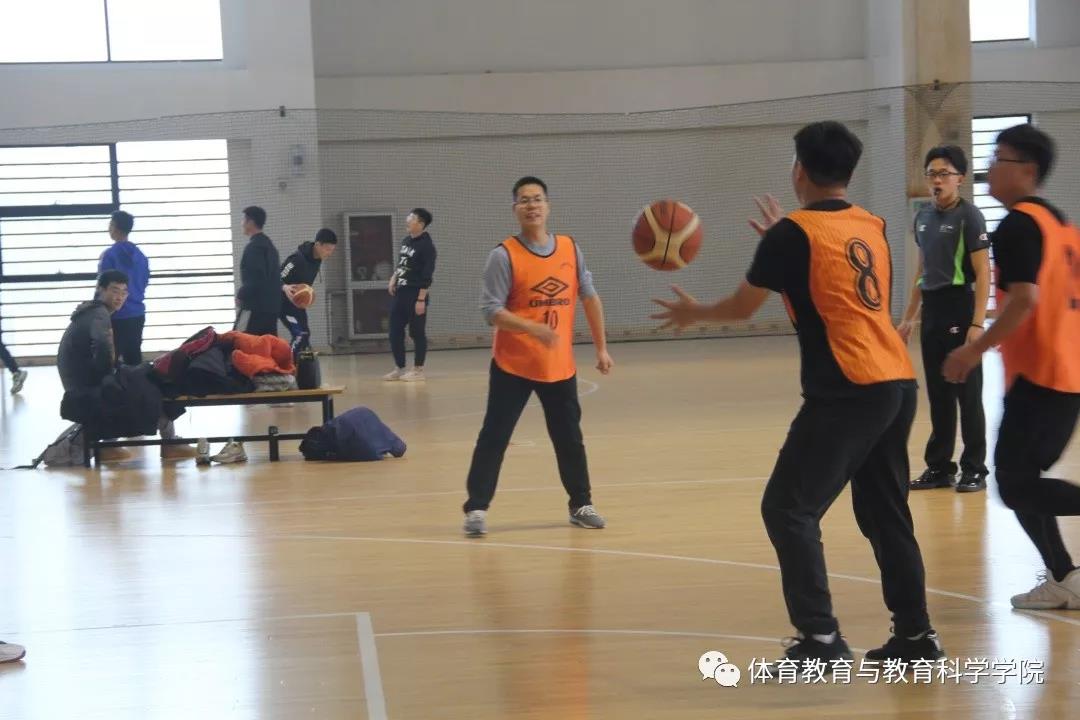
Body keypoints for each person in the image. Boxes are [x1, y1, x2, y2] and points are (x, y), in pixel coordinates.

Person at [653, 121, 942, 666]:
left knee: (788, 509)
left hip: (849, 387)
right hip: (896, 381)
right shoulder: (870, 224)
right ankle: (916, 637)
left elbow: (741, 309)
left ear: (800, 170)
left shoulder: (792, 235)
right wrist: (782, 246)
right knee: (885, 516)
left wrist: (694, 313)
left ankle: (821, 639)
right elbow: (834, 285)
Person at [944, 123, 1080, 609]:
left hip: (1042, 377)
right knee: (1022, 481)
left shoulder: (1019, 225)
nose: (989, 169)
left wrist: (972, 350)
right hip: (1063, 373)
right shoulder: (1059, 224)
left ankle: (1065, 575)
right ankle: (1065, 577)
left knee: (1015, 486)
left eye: (998, 159)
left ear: (1027, 170)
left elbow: (1024, 300)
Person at [462, 177, 614, 536]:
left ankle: (581, 504)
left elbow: (589, 297)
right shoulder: (503, 255)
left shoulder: (570, 249)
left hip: (558, 365)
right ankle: (477, 509)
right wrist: (532, 328)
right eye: (524, 200)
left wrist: (601, 348)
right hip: (513, 364)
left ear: (548, 205)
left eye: (537, 199)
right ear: (515, 209)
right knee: (495, 436)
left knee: (569, 437)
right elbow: (490, 311)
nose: (532, 205)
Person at [897, 146, 991, 492]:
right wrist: (908, 319)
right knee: (938, 394)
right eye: (932, 174)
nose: (937, 181)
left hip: (960, 307)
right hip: (933, 311)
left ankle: (975, 469)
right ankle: (939, 467)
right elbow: (922, 272)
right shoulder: (923, 217)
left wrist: (977, 324)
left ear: (960, 179)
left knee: (968, 394)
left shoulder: (970, 217)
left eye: (944, 174)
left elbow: (984, 273)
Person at [385, 208, 437, 382]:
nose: (408, 219)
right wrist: (393, 278)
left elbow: (427, 276)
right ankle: (399, 368)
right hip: (401, 293)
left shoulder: (427, 247)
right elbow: (402, 264)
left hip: (416, 295)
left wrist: (421, 299)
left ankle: (418, 370)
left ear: (421, 224)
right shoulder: (406, 241)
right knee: (394, 331)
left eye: (412, 217)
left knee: (417, 332)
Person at [98, 210, 150, 366]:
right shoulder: (141, 257)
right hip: (137, 314)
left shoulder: (109, 255)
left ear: (115, 227)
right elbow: (144, 282)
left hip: (116, 315)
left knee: (110, 361)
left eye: (110, 224)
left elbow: (103, 287)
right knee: (134, 360)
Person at [280, 228, 338, 355]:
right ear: (318, 244)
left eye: (332, 250)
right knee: (299, 334)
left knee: (305, 334)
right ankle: (289, 363)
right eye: (328, 249)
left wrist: (307, 294)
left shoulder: (317, 259)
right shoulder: (296, 259)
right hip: (282, 303)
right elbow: (276, 276)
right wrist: (284, 287)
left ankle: (304, 364)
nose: (329, 253)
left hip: (297, 304)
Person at [235, 206, 280, 336]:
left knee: (246, 342)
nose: (242, 224)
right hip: (272, 306)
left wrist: (241, 295)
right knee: (269, 343)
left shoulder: (254, 248)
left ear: (250, 222)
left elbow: (255, 278)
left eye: (243, 220)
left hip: (256, 306)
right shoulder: (270, 246)